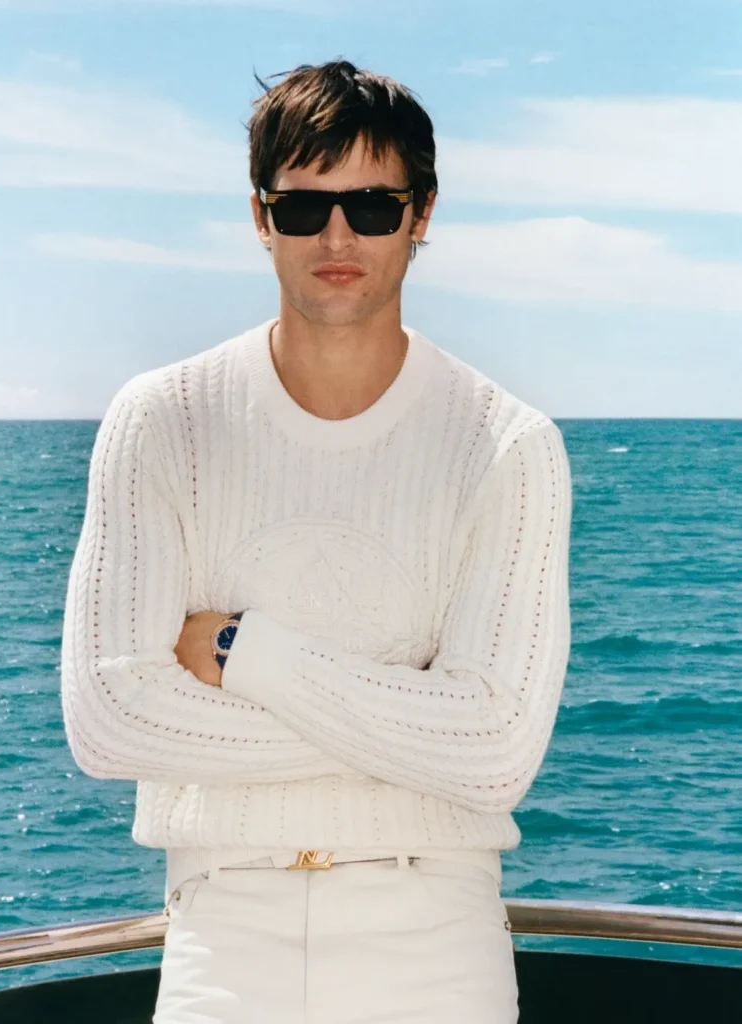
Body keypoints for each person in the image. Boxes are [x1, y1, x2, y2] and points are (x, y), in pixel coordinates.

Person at [60, 57, 573, 1024]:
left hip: (436, 933)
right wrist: (410, 729)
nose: (338, 236)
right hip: (223, 926)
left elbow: (495, 751)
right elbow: (110, 719)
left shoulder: (505, 443)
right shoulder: (164, 420)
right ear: (261, 218)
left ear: (421, 215)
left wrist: (238, 652)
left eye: (372, 206)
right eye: (303, 207)